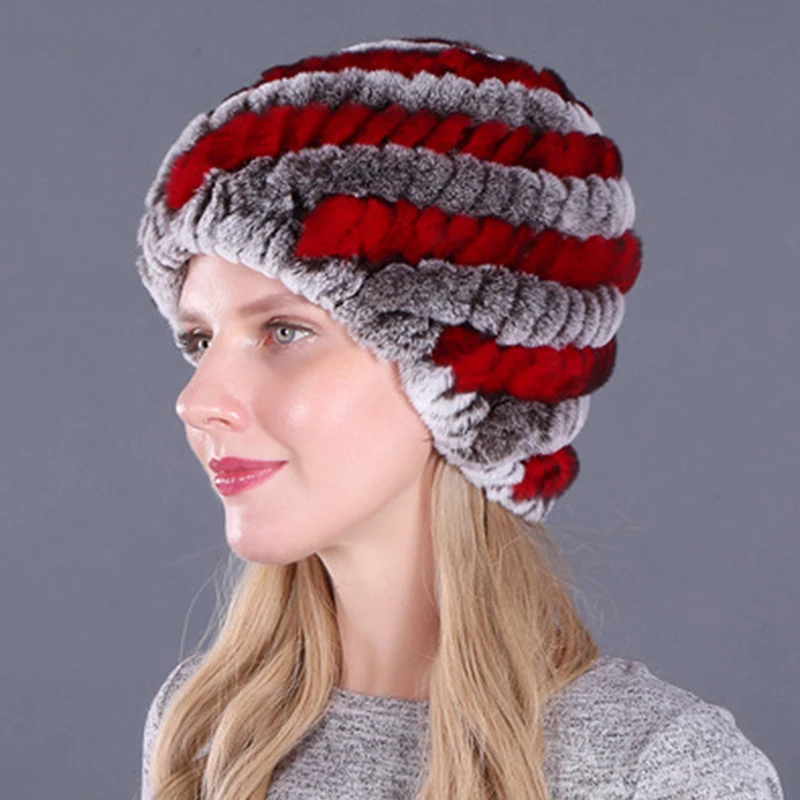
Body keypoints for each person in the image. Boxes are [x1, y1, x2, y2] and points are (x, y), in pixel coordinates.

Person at [135, 36, 784, 800]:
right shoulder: (209, 727)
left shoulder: (657, 770)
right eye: (200, 340)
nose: (197, 400)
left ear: (471, 368)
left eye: (285, 331)